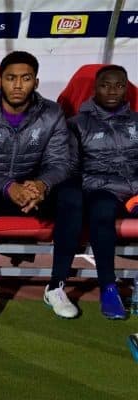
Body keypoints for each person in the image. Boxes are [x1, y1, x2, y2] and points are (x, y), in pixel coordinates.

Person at [0, 50, 82, 318]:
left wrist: (40, 186)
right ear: (0, 81)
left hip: (35, 192)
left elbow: (61, 163)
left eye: (25, 78)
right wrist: (8, 186)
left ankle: (55, 287)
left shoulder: (52, 113)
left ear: (35, 82)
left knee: (72, 196)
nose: (18, 85)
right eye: (11, 78)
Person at [71, 65, 137, 319]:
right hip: (101, 190)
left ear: (125, 88)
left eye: (119, 85)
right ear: (95, 88)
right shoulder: (78, 124)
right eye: (105, 85)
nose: (112, 91)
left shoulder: (137, 122)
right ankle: (109, 288)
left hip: (135, 191)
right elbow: (71, 169)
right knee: (101, 212)